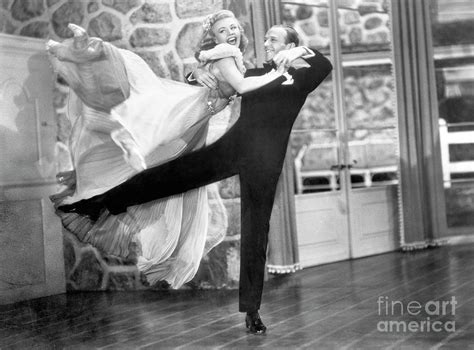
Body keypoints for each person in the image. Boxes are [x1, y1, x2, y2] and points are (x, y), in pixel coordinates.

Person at [59, 24, 333, 334]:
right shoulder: (253, 72)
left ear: (290, 43)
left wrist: (300, 51)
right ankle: (98, 204)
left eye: (273, 39)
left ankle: (252, 311)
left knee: (257, 232)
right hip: (234, 148)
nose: (266, 43)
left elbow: (325, 64)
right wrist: (196, 75)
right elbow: (209, 82)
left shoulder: (302, 77)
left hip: (266, 161)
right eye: (266, 37)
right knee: (169, 175)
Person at [48, 11, 288, 289]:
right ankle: (83, 50)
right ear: (215, 37)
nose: (230, 32)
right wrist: (279, 74)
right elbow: (242, 85)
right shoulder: (225, 53)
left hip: (199, 118)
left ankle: (99, 191)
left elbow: (209, 77)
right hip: (193, 109)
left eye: (233, 27)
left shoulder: (232, 56)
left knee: (154, 156)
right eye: (223, 30)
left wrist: (198, 72)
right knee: (142, 103)